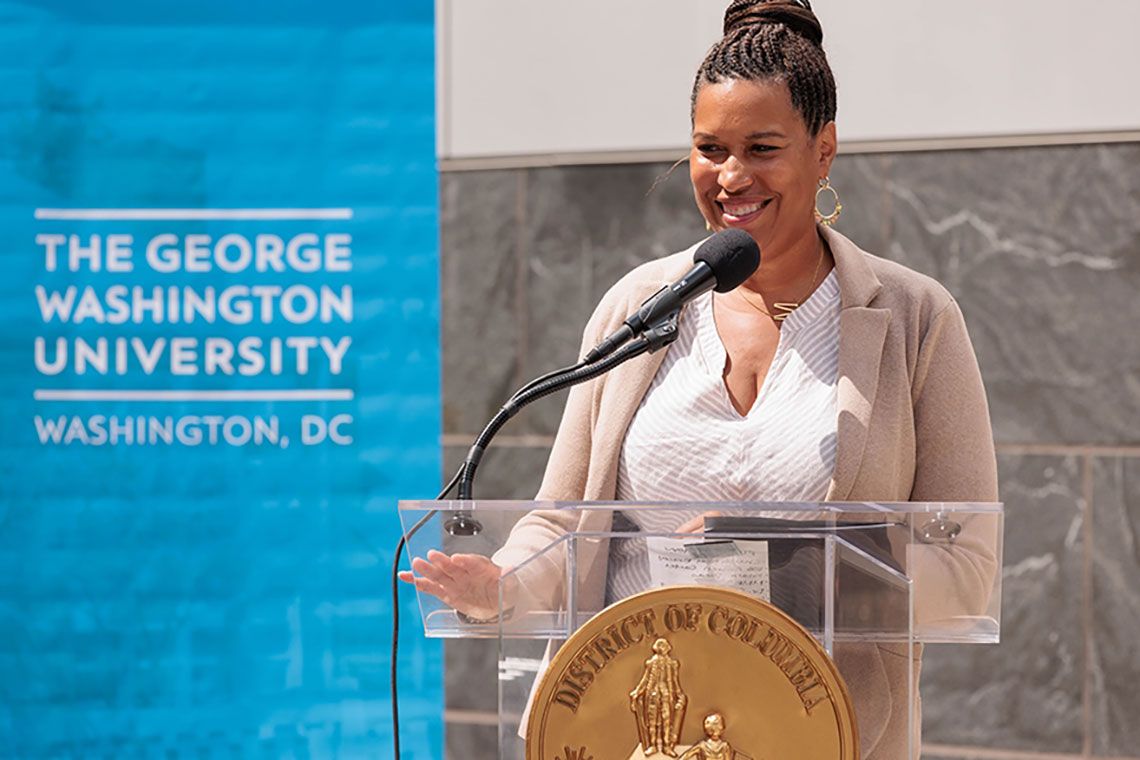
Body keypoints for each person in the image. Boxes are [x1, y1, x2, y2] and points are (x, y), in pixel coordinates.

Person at [401, 2, 999, 758]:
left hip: (824, 733)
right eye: (709, 148)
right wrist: (501, 586)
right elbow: (561, 523)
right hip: (632, 728)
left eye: (762, 146)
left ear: (824, 150)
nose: (731, 176)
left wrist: (790, 558)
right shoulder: (639, 307)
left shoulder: (915, 320)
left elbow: (967, 570)